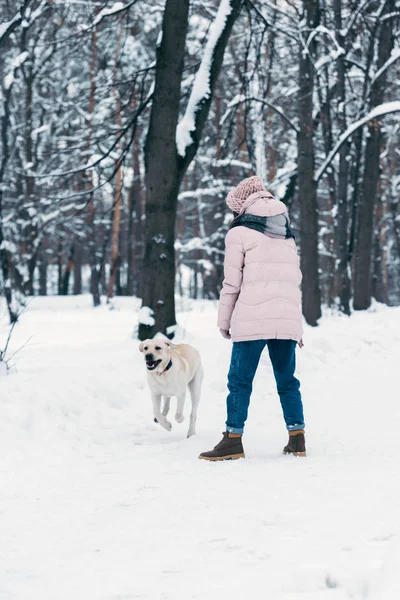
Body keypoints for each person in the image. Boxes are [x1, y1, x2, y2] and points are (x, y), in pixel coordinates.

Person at [199, 175, 305, 461]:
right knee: (287, 380)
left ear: (241, 205)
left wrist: (224, 321)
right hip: (286, 318)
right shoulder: (286, 231)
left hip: (251, 318)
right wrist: (296, 324)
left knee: (239, 380)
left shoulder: (239, 232)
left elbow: (231, 283)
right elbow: (293, 280)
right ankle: (297, 438)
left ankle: (233, 440)